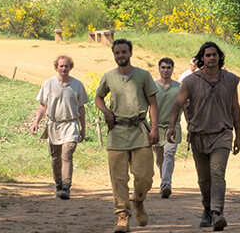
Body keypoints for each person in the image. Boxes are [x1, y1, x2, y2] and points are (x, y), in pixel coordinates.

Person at [168, 41, 240, 231]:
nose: (211, 58)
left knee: (217, 173)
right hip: (198, 135)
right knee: (203, 179)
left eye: (214, 55)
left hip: (222, 134)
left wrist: (238, 135)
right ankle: (207, 209)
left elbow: (235, 108)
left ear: (219, 57)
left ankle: (217, 212)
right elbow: (177, 105)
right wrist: (171, 127)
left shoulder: (231, 80)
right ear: (202, 58)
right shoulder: (191, 81)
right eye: (207, 55)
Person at [95, 38, 159, 233]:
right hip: (117, 132)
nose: (120, 56)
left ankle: (139, 201)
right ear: (114, 55)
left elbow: (153, 103)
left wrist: (154, 128)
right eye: (117, 53)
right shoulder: (108, 77)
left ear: (130, 53)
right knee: (118, 178)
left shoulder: (143, 76)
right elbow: (98, 97)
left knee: (144, 176)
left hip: (140, 130)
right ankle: (123, 216)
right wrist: (106, 112)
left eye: (124, 52)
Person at [31, 55, 88, 200]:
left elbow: (81, 108)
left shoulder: (77, 85)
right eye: (61, 66)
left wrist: (83, 128)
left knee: (67, 154)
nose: (63, 68)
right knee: (55, 157)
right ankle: (58, 183)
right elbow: (43, 106)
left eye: (66, 66)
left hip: (71, 124)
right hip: (54, 125)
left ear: (70, 67)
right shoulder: (49, 84)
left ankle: (66, 187)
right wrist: (36, 121)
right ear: (56, 67)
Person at [153, 57, 182, 199]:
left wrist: (192, 126)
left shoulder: (179, 88)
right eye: (163, 67)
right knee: (159, 159)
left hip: (173, 127)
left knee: (169, 154)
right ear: (159, 69)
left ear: (172, 69)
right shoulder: (152, 87)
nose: (165, 70)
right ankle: (164, 181)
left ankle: (166, 184)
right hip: (156, 127)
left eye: (168, 67)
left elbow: (186, 109)